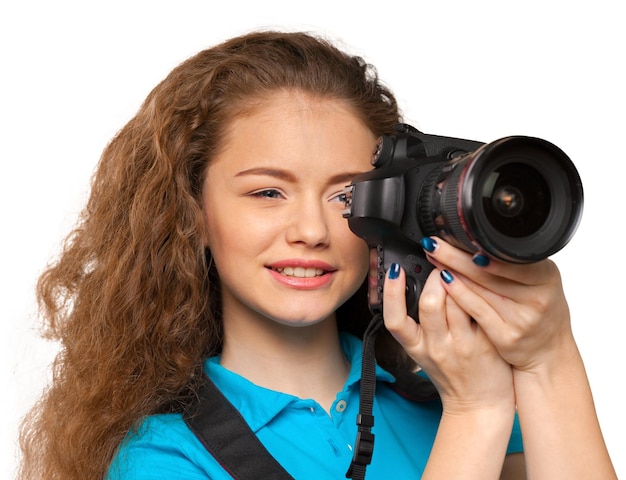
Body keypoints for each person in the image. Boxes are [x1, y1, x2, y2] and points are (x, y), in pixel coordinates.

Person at [18, 30, 616, 480]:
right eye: (268, 192)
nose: (311, 229)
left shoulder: (432, 391)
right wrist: (477, 409)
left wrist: (548, 355)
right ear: (193, 216)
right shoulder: (164, 458)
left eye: (346, 195)